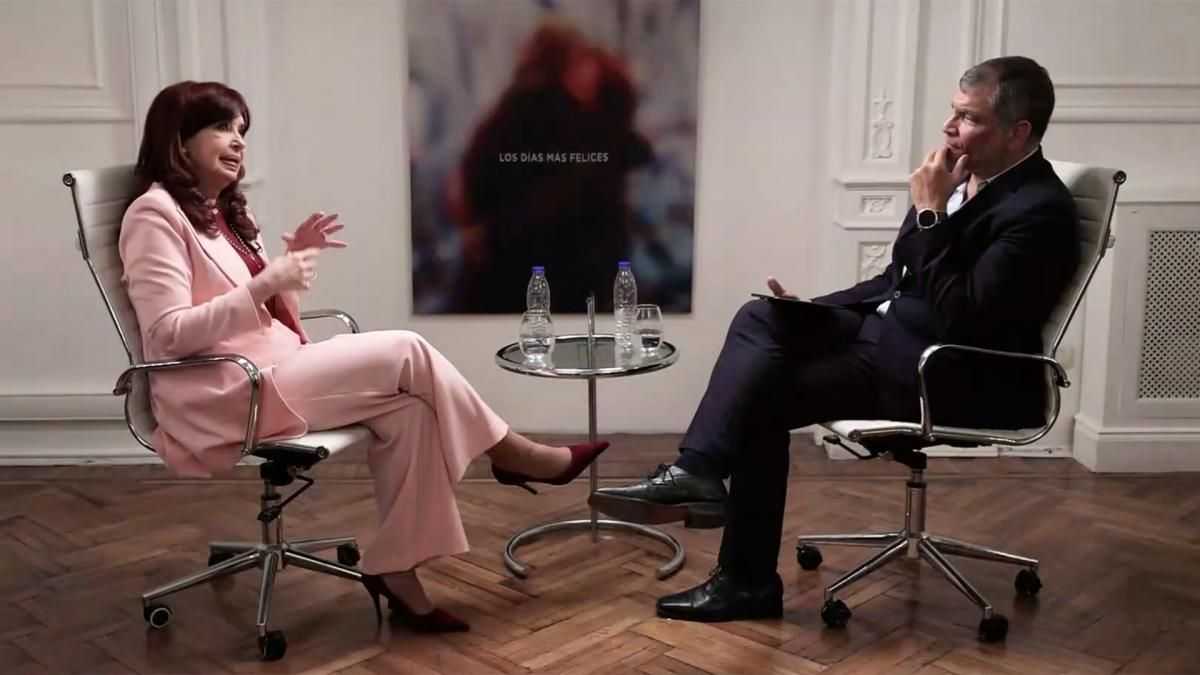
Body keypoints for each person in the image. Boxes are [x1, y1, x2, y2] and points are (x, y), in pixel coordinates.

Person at [589, 56, 1079, 622]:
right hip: (893, 335)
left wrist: (929, 213)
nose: (949, 127)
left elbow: (965, 318)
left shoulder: (1039, 211)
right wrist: (816, 310)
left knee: (761, 396)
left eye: (968, 118)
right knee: (762, 317)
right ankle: (697, 475)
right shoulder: (964, 177)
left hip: (949, 372)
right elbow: (897, 278)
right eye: (952, 111)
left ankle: (741, 572)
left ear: (1018, 132)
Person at [119, 80, 609, 632]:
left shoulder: (222, 214)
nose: (237, 141)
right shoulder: (153, 215)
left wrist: (291, 264)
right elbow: (166, 336)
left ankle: (398, 569)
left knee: (413, 412)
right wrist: (266, 283)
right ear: (178, 140)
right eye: (220, 127)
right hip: (228, 393)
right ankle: (521, 456)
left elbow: (271, 320)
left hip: (273, 370)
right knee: (408, 348)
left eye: (241, 130)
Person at [447, 19, 652, 313]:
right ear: (560, 67)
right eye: (580, 62)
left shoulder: (584, 115)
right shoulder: (547, 116)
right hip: (546, 266)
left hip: (529, 267)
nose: (589, 71)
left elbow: (474, 183)